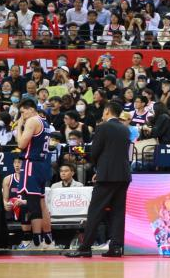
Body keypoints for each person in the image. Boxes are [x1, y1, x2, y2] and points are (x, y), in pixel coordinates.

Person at [68, 100, 132, 258]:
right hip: (123, 175)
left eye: (104, 111)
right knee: (118, 212)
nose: (103, 114)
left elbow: (95, 151)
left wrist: (98, 168)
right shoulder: (125, 129)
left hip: (107, 175)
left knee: (95, 211)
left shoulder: (103, 127)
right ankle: (116, 248)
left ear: (108, 111)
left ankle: (85, 247)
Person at [12, 98, 53, 248]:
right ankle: (48, 237)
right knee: (42, 202)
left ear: (30, 109)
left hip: (32, 164)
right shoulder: (44, 122)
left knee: (32, 202)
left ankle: (36, 240)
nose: (22, 115)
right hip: (43, 164)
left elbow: (21, 144)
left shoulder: (31, 121)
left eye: (23, 112)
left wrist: (19, 126)